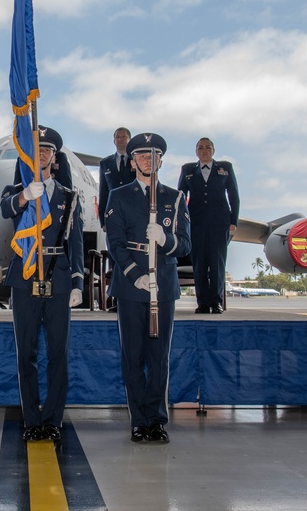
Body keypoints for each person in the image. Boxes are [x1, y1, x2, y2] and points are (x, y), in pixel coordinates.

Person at [0, 126, 85, 442]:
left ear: (55, 159)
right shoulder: (16, 190)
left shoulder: (69, 197)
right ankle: (31, 420)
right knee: (27, 353)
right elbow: (5, 208)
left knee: (58, 354)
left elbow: (75, 242)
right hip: (24, 280)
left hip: (59, 279)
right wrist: (25, 195)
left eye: (48, 150)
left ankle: (53, 418)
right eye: (37, 149)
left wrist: (77, 282)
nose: (43, 154)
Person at [105, 133, 191, 443]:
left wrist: (166, 240)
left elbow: (185, 244)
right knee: (133, 357)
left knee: (159, 357)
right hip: (131, 286)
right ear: (132, 162)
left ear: (160, 161)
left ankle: (157, 419)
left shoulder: (174, 197)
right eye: (141, 155)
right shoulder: (119, 196)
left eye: (153, 156)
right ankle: (138, 421)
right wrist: (133, 274)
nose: (147, 160)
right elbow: (114, 243)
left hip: (163, 285)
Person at [177, 137, 239, 314]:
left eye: (207, 147)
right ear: (196, 151)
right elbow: (180, 198)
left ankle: (216, 302)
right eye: (200, 148)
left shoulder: (225, 168)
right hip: (196, 225)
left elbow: (233, 196)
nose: (204, 151)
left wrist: (233, 221)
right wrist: (182, 224)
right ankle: (203, 302)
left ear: (213, 150)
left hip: (220, 224)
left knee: (217, 263)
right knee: (200, 264)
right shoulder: (188, 169)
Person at [98, 127, 136, 229]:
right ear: (114, 141)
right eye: (117, 137)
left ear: (130, 139)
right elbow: (103, 192)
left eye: (123, 136)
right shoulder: (105, 163)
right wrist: (103, 221)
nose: (120, 139)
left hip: (134, 214)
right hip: (112, 214)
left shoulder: (137, 161)